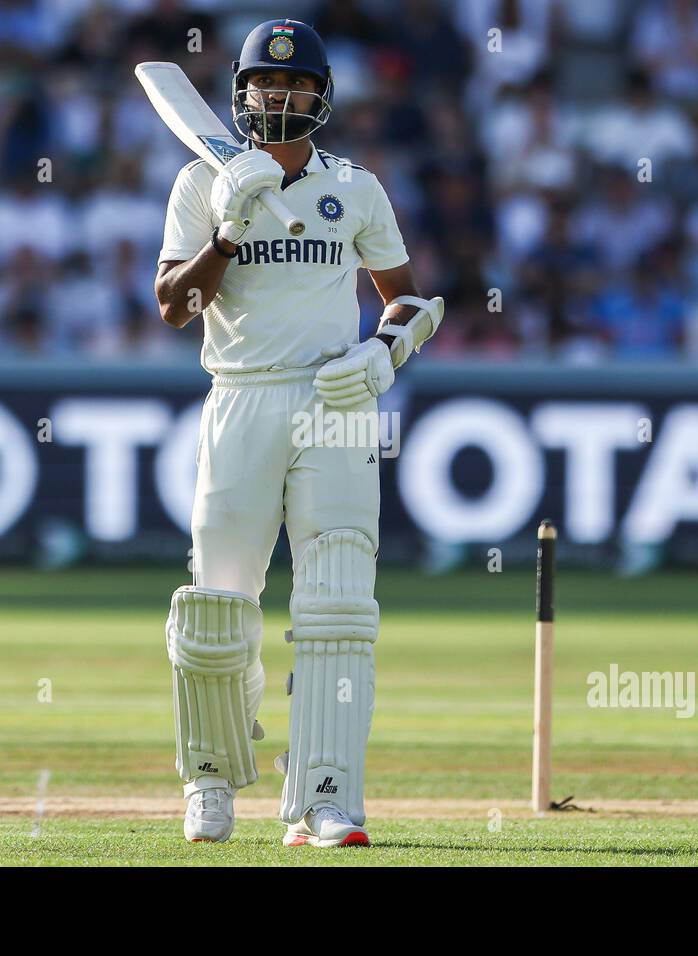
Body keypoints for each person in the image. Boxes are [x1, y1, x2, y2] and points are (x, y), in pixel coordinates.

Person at [152, 18, 443, 848]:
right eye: (264, 84)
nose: (280, 95)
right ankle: (209, 781)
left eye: (296, 84)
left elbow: (410, 297)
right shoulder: (200, 184)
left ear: (320, 95)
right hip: (240, 396)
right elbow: (176, 307)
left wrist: (385, 353)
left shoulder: (355, 187)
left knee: (340, 603)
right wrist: (228, 231)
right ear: (241, 94)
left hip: (334, 401)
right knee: (218, 604)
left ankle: (324, 795)